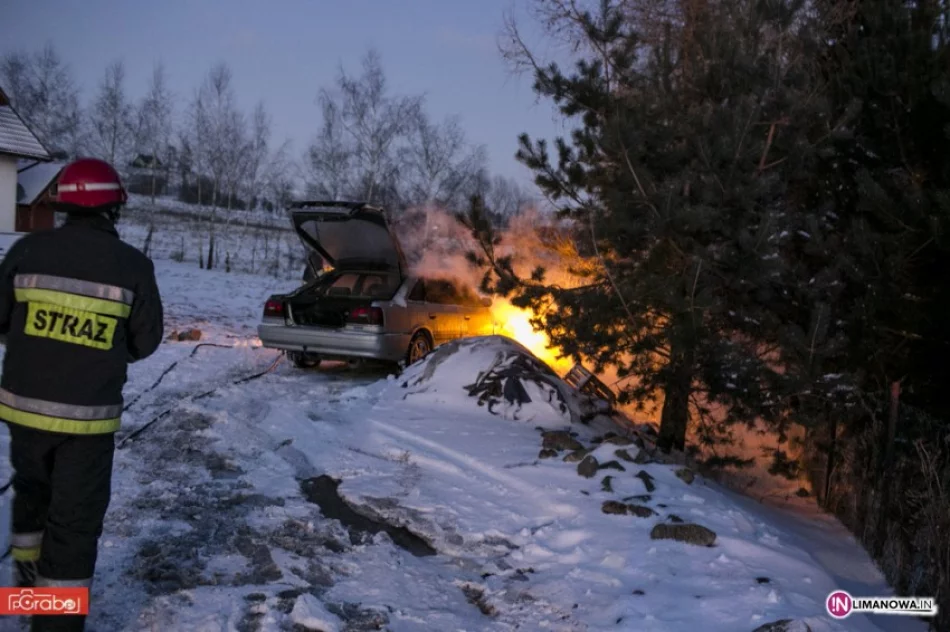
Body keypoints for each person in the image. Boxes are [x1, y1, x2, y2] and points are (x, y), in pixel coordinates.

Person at [0, 157, 164, 631]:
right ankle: (54, 624)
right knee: (73, 525)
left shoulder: (29, 251)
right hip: (85, 425)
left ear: (65, 202)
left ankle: (28, 593)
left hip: (23, 415)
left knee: (32, 503)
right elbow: (145, 340)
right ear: (113, 207)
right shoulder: (132, 265)